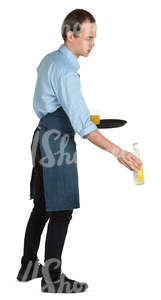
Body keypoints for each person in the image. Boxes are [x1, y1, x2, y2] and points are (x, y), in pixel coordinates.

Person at [16, 9, 142, 293]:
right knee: (61, 210)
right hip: (56, 143)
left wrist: (81, 117)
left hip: (41, 136)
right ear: (70, 35)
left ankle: (27, 266)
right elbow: (83, 127)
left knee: (42, 206)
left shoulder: (50, 59)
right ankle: (53, 279)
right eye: (88, 38)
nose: (92, 44)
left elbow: (60, 106)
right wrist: (118, 152)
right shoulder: (66, 72)